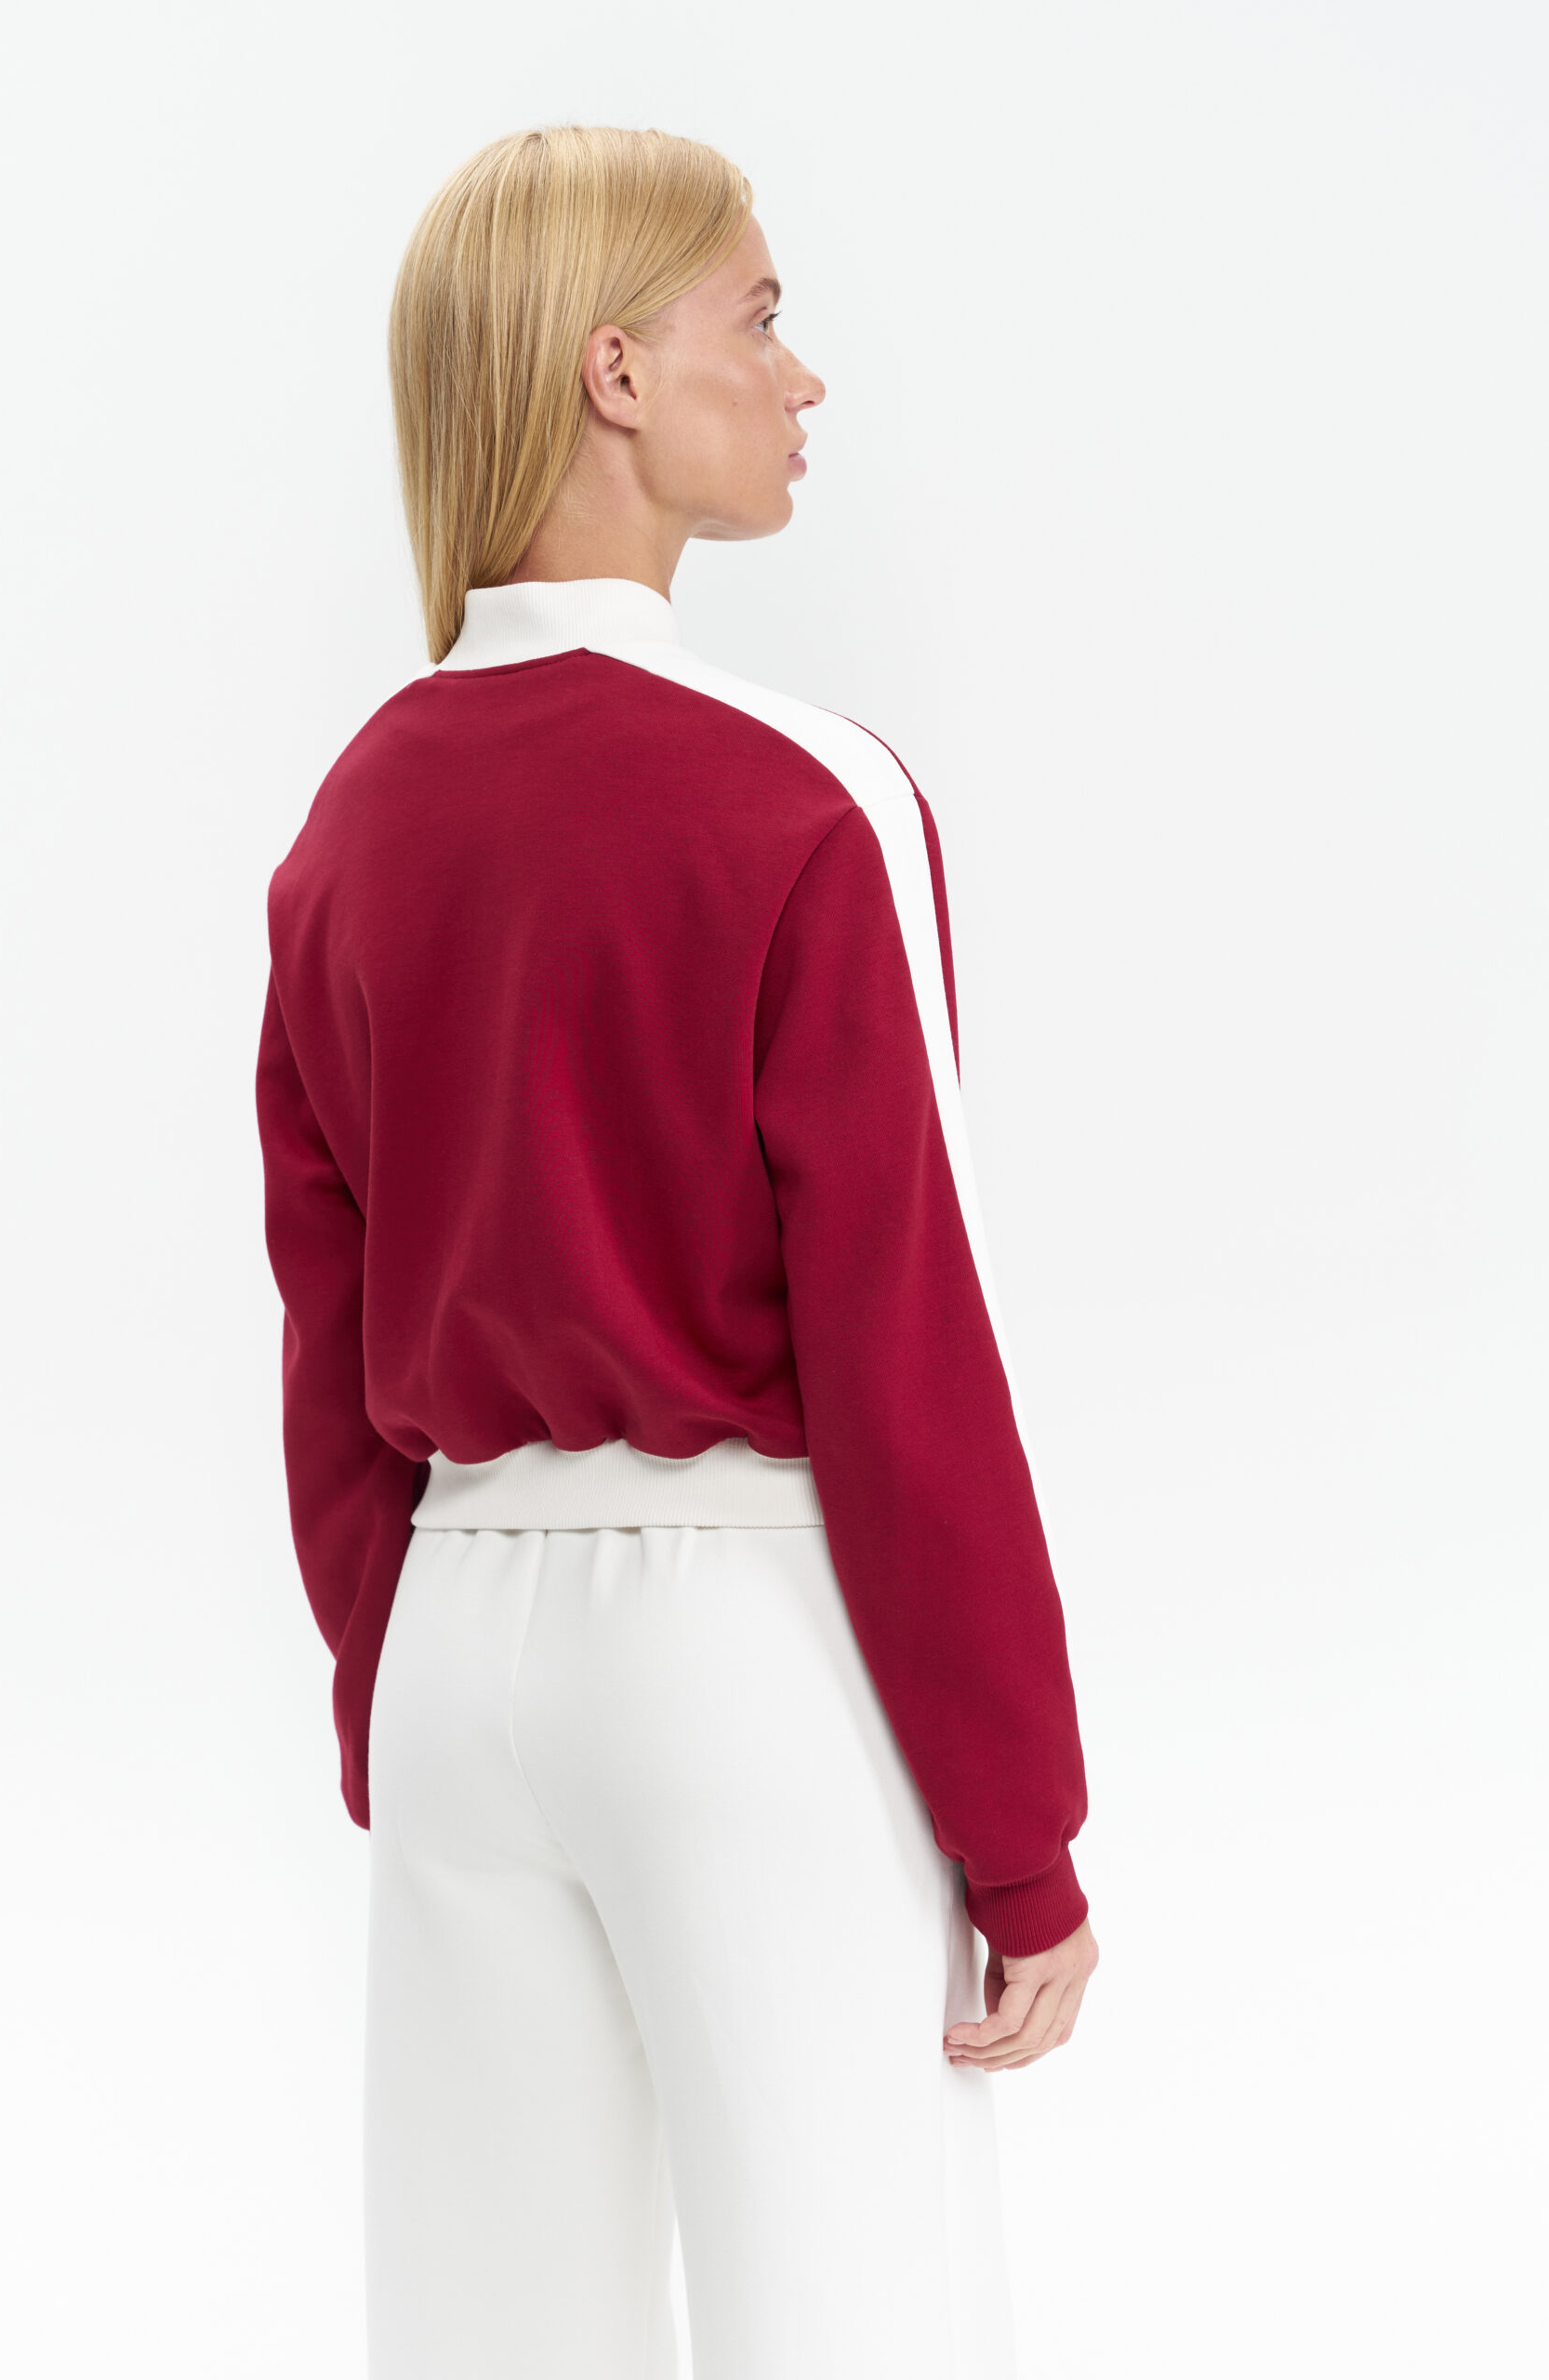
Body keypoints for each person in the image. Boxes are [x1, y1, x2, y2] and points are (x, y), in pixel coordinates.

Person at [255, 124, 1098, 2380]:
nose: (803, 379)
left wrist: (391, 1698)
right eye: (761, 317)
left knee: (486, 2332)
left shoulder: (350, 819)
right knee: (859, 2318)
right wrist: (1022, 1833)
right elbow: (908, 1349)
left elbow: (327, 1343)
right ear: (613, 371)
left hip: (454, 1645)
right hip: (744, 1650)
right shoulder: (807, 795)